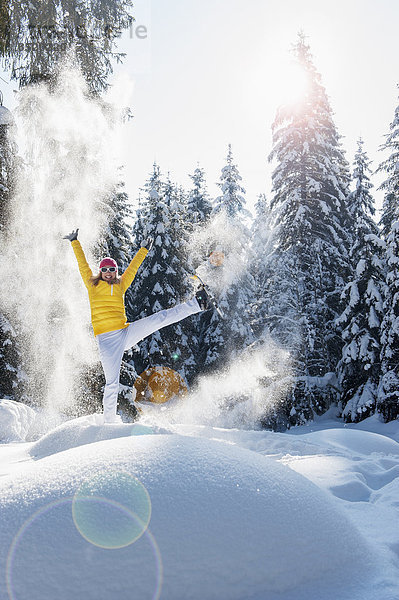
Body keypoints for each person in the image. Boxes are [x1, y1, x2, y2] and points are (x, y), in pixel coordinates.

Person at [64, 228, 210, 423]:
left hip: (125, 332)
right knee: (112, 383)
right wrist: (75, 242)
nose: (108, 273)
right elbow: (82, 265)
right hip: (107, 342)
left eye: (111, 269)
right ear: (101, 272)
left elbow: (132, 268)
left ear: (115, 271)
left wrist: (143, 250)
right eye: (105, 269)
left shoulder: (120, 284)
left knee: (160, 318)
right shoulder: (92, 285)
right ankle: (108, 424)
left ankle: (197, 304)